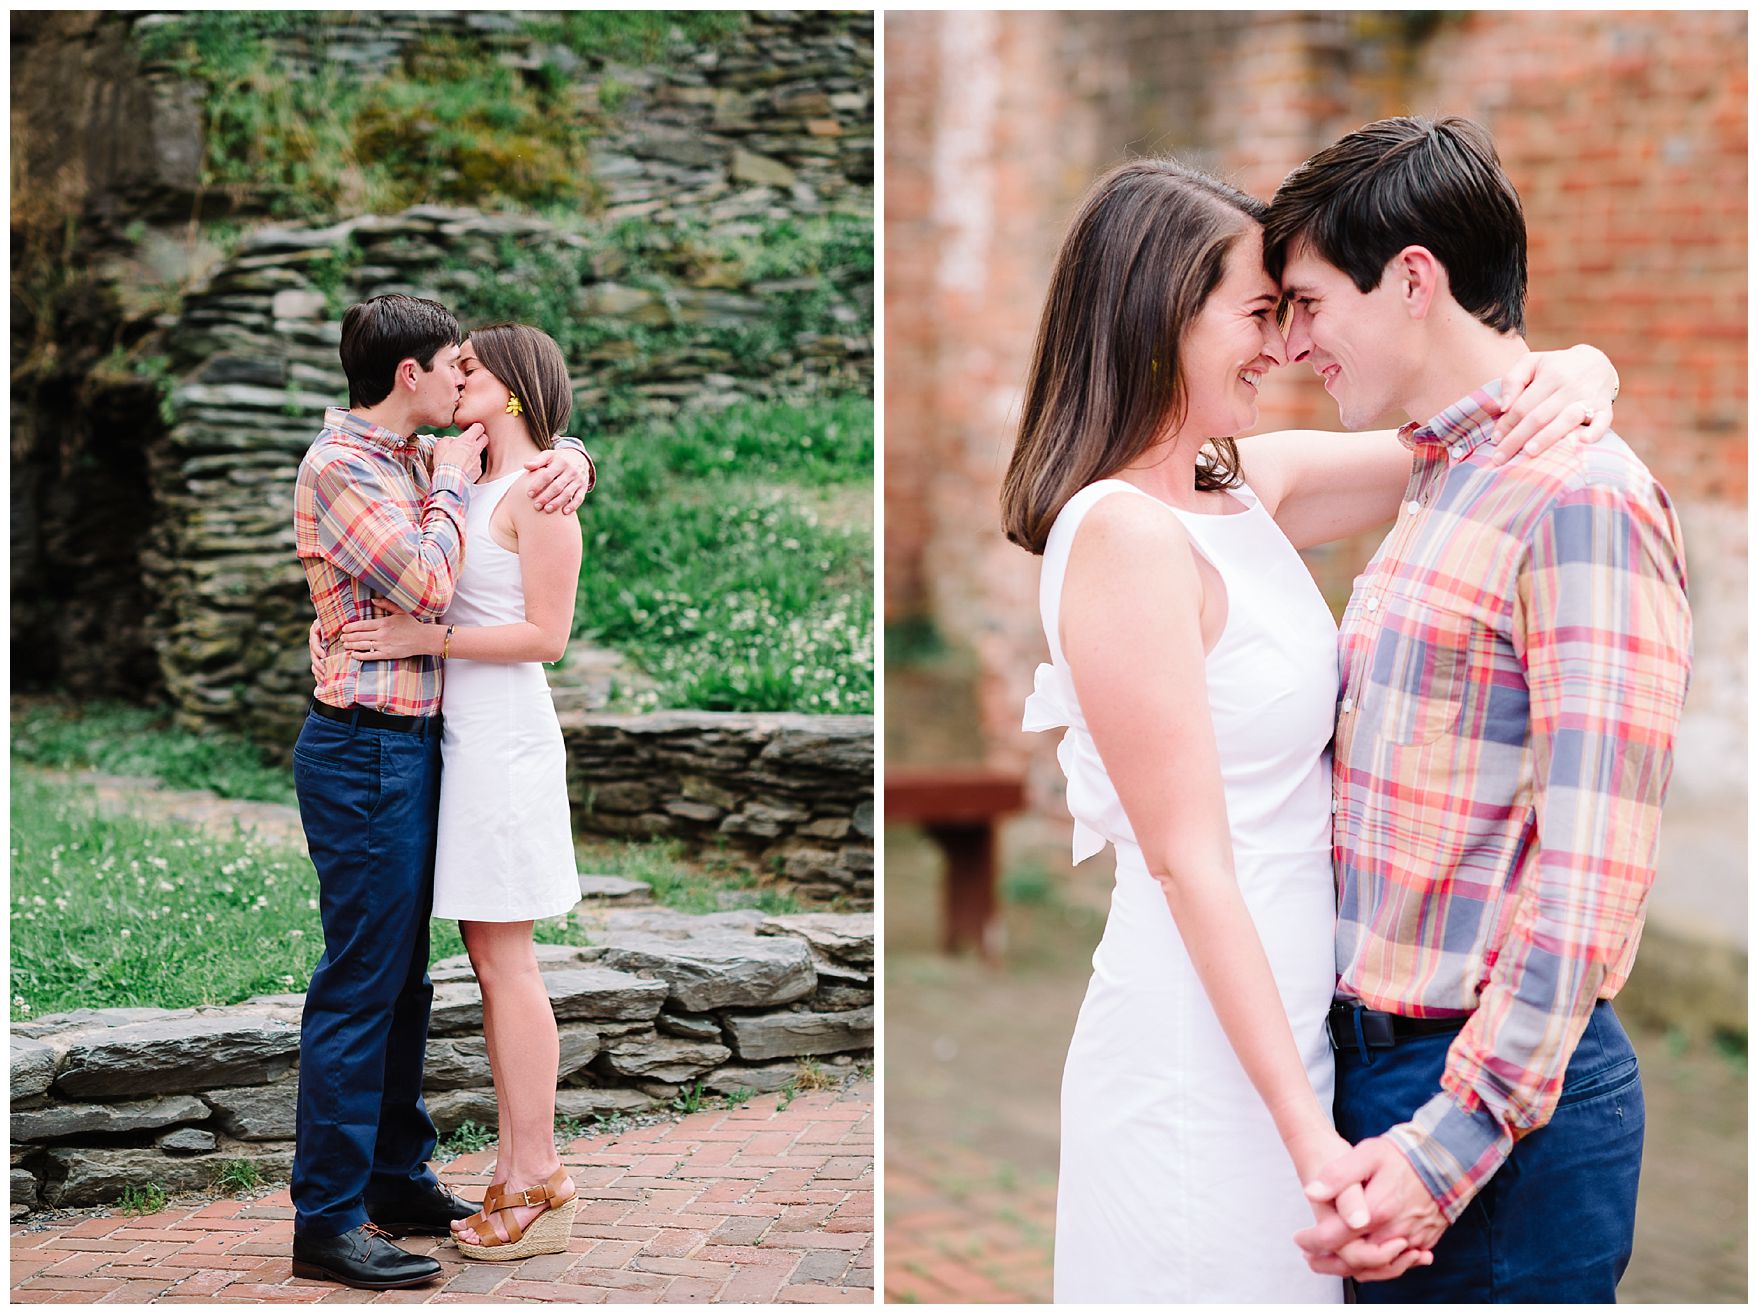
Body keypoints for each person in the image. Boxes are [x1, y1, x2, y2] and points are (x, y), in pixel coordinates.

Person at [1001, 158, 1621, 1302]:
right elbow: (1192, 866)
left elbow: (1462, 435)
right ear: (1159, 315)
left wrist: (1582, 367)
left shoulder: (1237, 485)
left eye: (1293, 313)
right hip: (1207, 1048)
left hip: (1308, 1016)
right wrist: (1308, 1140)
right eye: (1257, 312)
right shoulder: (1127, 537)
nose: (1284, 347)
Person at [1261, 116, 1691, 1302]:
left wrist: (1448, 1147)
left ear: (1410, 280)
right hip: (1378, 1072)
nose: (1296, 345)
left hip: (1491, 1108)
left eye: (1306, 303)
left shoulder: (1581, 497)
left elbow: (1592, 877)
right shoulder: (1442, 479)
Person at [289, 295, 593, 1290]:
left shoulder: (427, 461)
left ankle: (403, 1180)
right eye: (450, 364)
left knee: (410, 982)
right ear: (411, 376)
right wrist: (472, 473)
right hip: (370, 746)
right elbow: (427, 584)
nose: (462, 376)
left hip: (449, 748)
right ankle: (329, 1219)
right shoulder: (349, 468)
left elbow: (527, 472)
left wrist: (572, 450)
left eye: (477, 367)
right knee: (367, 980)